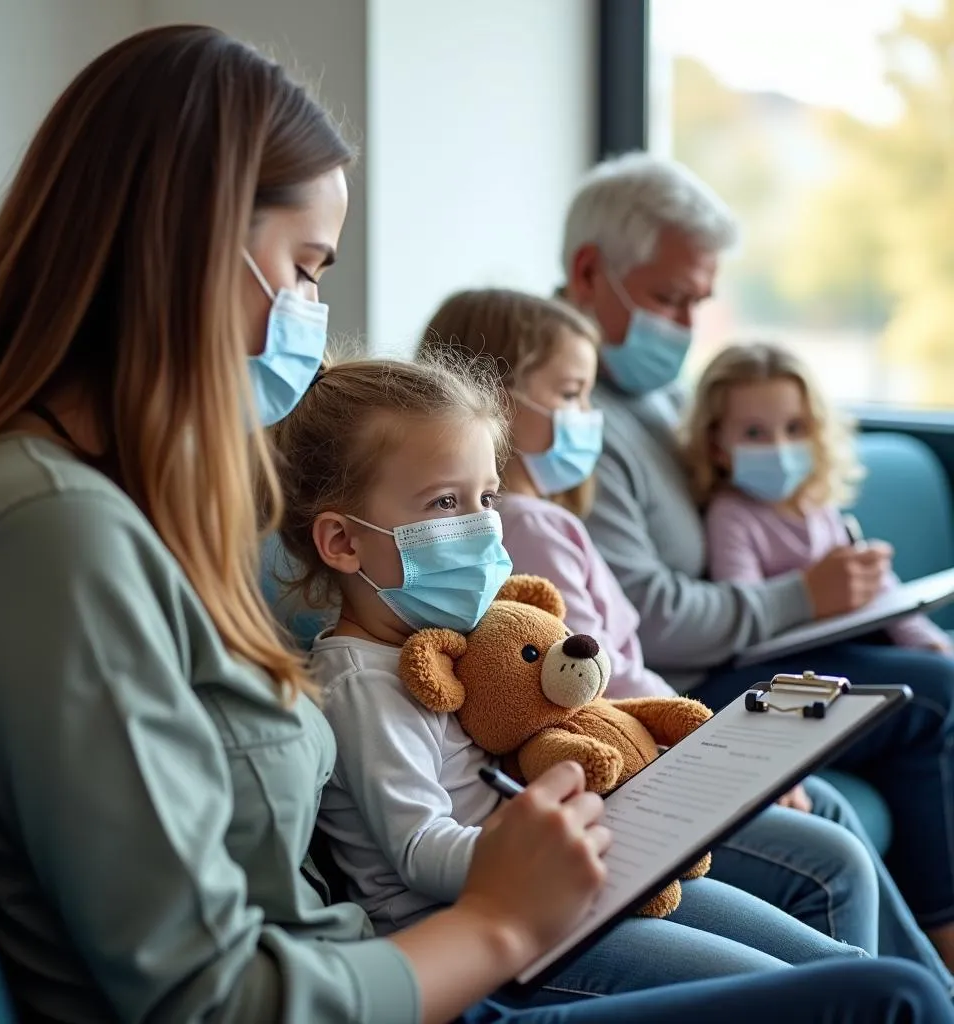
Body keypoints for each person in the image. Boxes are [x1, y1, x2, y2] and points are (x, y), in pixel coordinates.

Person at [0, 26, 950, 1024]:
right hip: (411, 967)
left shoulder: (117, 507)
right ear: (186, 249)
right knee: (889, 997)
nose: (309, 313)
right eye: (306, 267)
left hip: (389, 957)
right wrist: (505, 918)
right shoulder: (48, 531)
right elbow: (213, 996)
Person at [273, 353, 879, 997]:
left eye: (486, 498)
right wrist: (553, 838)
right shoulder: (363, 684)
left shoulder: (452, 641)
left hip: (569, 882)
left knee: (839, 970)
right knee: (802, 995)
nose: (481, 527)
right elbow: (421, 852)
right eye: (445, 503)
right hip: (485, 928)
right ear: (342, 542)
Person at [418, 285, 954, 986]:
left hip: (644, 737)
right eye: (574, 396)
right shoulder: (526, 527)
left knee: (828, 807)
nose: (590, 421)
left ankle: (917, 992)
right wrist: (720, 751)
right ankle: (916, 993)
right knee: (830, 832)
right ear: (496, 400)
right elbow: (586, 680)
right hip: (628, 757)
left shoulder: (545, 519)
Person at [559, 149, 954, 966]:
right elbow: (651, 620)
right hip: (694, 686)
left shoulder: (663, 399)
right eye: (672, 298)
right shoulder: (572, 425)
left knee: (931, 697)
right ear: (591, 271)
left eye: (699, 301)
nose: (686, 325)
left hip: (745, 655)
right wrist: (801, 596)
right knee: (936, 698)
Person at [683, 341, 952, 654]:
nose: (779, 447)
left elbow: (878, 587)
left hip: (859, 639)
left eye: (795, 428)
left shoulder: (817, 504)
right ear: (716, 445)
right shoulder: (730, 516)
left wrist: (927, 640)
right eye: (754, 433)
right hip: (806, 662)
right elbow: (750, 615)